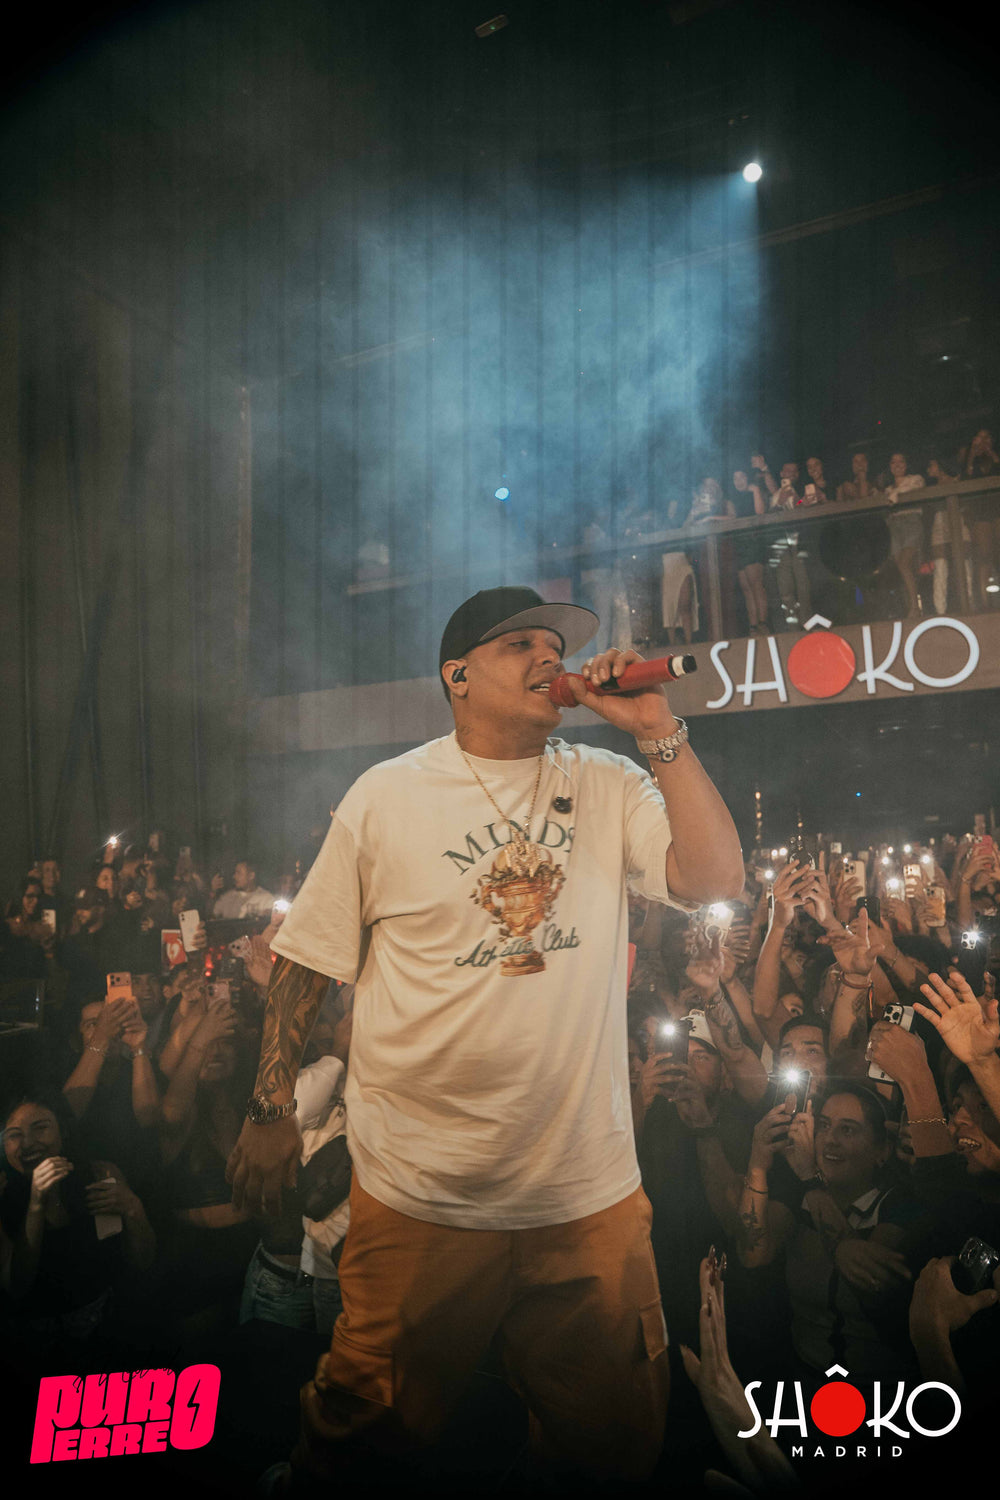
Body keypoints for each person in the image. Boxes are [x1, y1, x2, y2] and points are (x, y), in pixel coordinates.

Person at [227, 585, 744, 1490]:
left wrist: (658, 731)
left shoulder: (607, 781)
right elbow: (307, 961)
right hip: (423, 1193)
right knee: (360, 1439)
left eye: (556, 645)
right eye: (521, 645)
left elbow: (713, 879)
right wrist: (271, 1106)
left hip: (585, 1194)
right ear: (457, 676)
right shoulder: (387, 796)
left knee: (610, 1443)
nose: (551, 657)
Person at [730, 470, 769, 635]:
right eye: (735, 478)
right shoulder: (732, 498)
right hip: (739, 544)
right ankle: (753, 626)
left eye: (742, 477)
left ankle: (763, 623)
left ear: (747, 478)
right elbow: (731, 518)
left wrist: (755, 490)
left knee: (756, 584)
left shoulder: (755, 491)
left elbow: (760, 512)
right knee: (746, 588)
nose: (738, 481)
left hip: (753, 542)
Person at [212, 860, 276, 920]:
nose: (234, 876)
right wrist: (213, 891)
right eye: (235, 873)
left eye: (238, 873)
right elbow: (212, 915)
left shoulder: (267, 899)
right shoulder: (228, 897)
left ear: (251, 876)